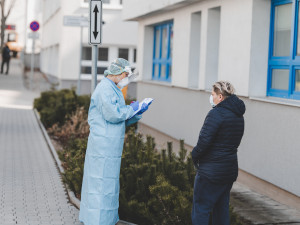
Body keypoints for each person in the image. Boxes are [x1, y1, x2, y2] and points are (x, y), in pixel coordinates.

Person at [79, 58, 149, 225]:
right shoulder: (105, 89)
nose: (126, 78)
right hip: (102, 146)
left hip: (110, 145)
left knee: (108, 185)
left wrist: (136, 113)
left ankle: (106, 219)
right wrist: (129, 109)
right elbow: (114, 115)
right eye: (125, 74)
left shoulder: (114, 89)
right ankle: (96, 221)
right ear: (117, 72)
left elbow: (120, 119)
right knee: (99, 184)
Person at [191, 81, 245, 225]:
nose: (211, 97)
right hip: (229, 170)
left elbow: (204, 142)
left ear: (220, 97)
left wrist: (194, 156)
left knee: (201, 210)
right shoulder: (238, 116)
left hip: (210, 172)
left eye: (213, 95)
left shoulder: (216, 114)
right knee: (221, 211)